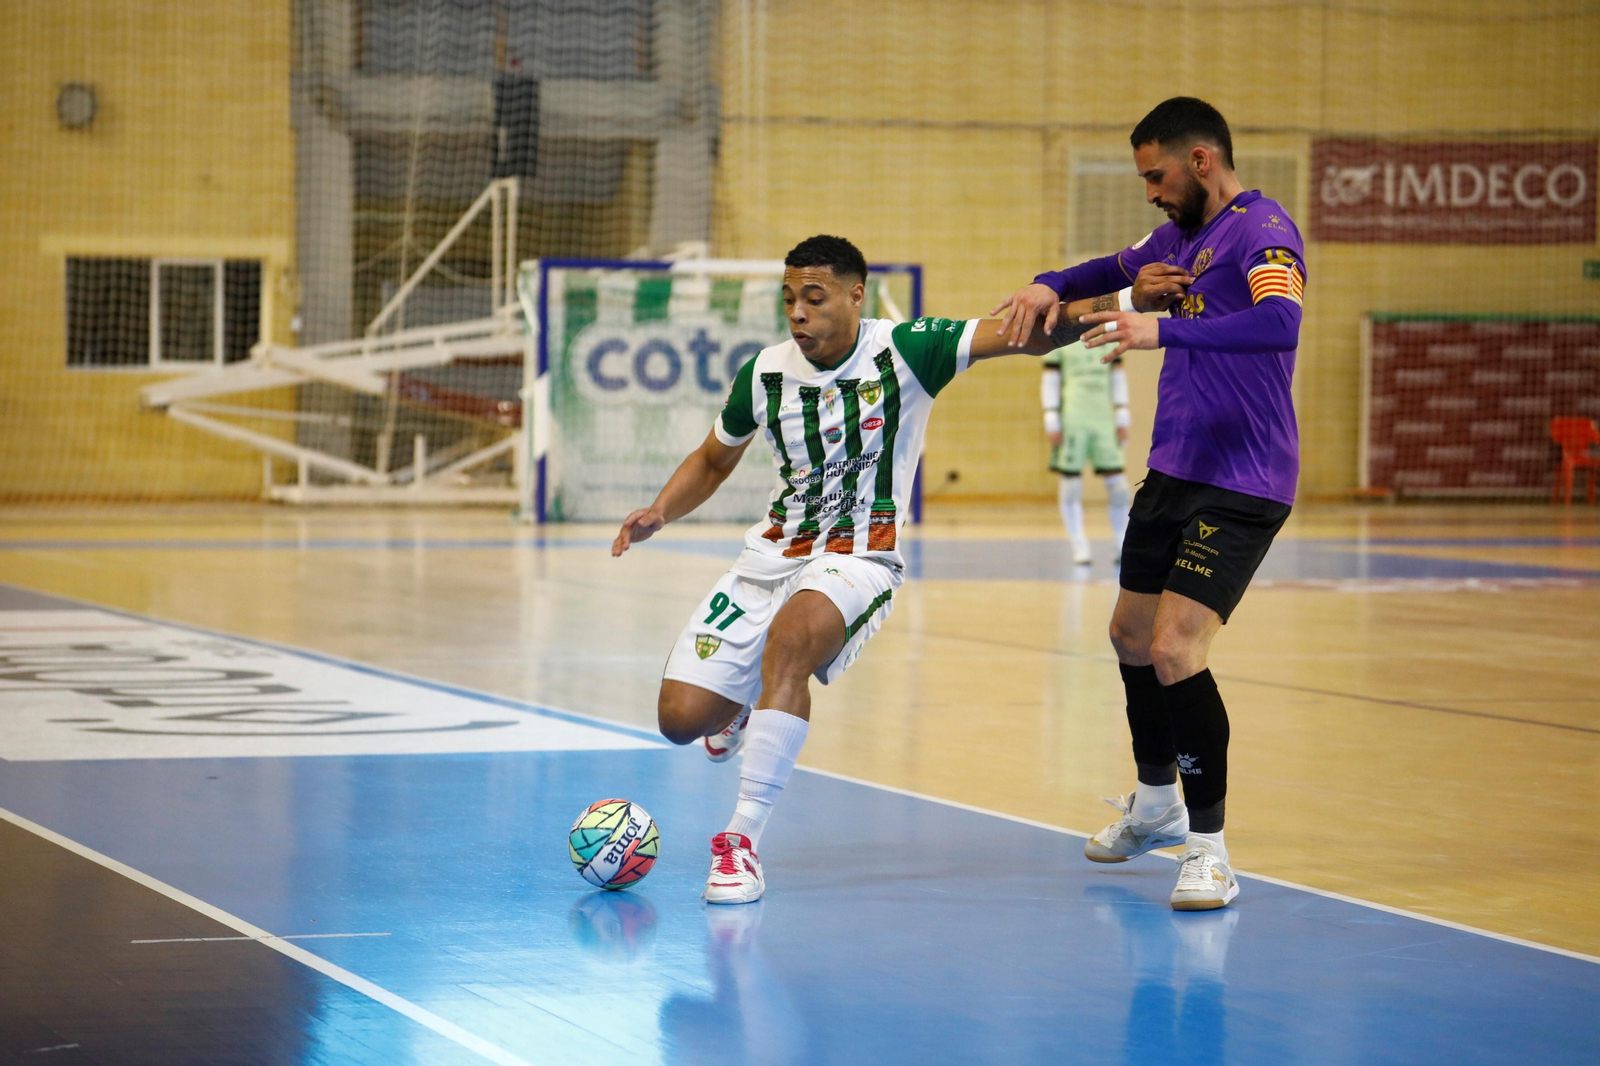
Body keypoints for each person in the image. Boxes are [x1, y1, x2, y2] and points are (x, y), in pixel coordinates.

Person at [613, 234, 1092, 904]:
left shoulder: (906, 349)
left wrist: (1123, 302)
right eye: (789, 299)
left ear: (854, 295)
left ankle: (740, 843)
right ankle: (735, 710)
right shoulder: (765, 372)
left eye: (813, 297)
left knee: (792, 643)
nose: (798, 313)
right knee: (679, 718)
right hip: (770, 556)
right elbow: (714, 458)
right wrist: (661, 510)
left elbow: (1026, 338)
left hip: (858, 557)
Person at [992, 97, 1306, 911]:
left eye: (1155, 174)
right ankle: (1156, 799)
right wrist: (1045, 285)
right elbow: (1108, 270)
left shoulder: (1263, 231)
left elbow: (1278, 325)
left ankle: (1210, 850)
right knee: (1130, 635)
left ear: (1201, 161)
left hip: (1244, 477)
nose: (1150, 192)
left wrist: (1163, 331)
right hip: (1174, 468)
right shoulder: (1177, 239)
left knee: (1174, 647)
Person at [1041, 340, 1131, 566]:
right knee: (1071, 486)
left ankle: (1121, 543)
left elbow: (1117, 376)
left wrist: (1122, 413)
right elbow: (1051, 379)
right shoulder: (1060, 340)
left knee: (1119, 487)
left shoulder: (1108, 335)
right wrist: (1051, 415)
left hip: (1103, 420)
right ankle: (1079, 546)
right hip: (1073, 418)